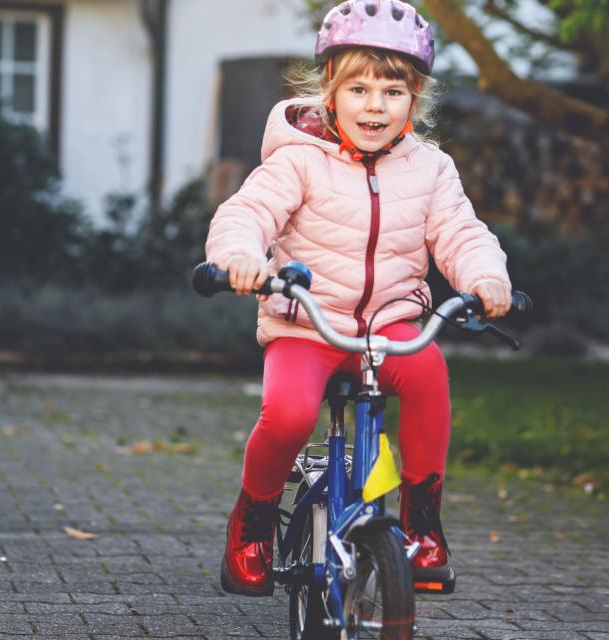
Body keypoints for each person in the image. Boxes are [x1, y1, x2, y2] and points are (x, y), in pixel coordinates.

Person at [205, 0, 512, 597]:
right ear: (330, 90)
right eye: (359, 89)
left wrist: (485, 277)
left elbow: (461, 233)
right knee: (289, 414)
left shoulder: (430, 169)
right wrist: (240, 257)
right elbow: (247, 213)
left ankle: (421, 526)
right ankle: (253, 523)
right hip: (307, 326)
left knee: (428, 375)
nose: (375, 106)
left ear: (414, 99)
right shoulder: (298, 160)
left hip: (389, 327)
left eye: (392, 92)